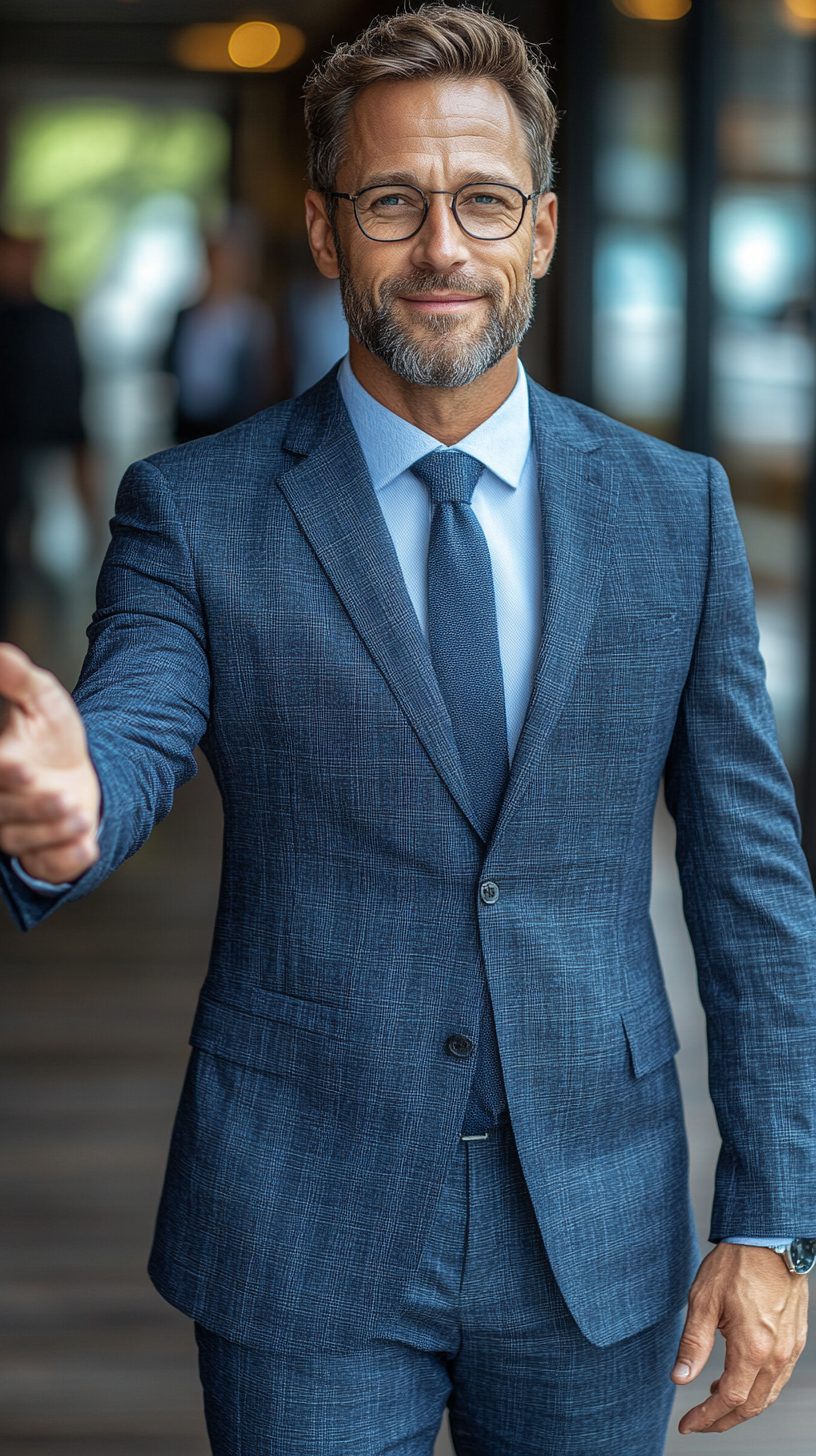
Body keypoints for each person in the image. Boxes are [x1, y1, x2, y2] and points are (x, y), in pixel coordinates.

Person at [0, 8, 814, 1453]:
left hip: (599, 1229)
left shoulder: (671, 510)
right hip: (300, 1212)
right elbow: (125, 734)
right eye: (393, 201)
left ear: (545, 229)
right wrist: (67, 804)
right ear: (325, 230)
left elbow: (752, 882)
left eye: (483, 201)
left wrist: (775, 1215)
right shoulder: (199, 510)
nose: (443, 246)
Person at [0, 232, 90, 639]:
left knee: (49, 576)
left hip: (46, 464)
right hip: (11, 464)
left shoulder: (54, 322)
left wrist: (85, 493)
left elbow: (75, 412)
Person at [165, 216, 276, 443]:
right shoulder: (186, 315)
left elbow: (264, 379)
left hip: (234, 427)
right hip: (188, 427)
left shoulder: (252, 317)